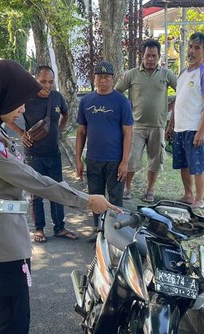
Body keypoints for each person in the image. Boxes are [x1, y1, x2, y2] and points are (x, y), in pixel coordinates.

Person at [0, 59, 121, 334]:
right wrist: (85, 199)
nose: (22, 108)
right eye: (18, 99)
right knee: (11, 323)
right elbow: (32, 179)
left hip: (4, 238)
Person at [5, 65, 78, 243]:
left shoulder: (57, 97)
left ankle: (59, 227)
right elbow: (5, 117)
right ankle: (39, 229)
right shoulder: (25, 98)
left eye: (51, 82)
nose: (47, 85)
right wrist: (21, 133)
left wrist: (60, 130)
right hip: (33, 154)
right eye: (43, 81)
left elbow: (66, 114)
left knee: (58, 190)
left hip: (53, 153)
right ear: (35, 81)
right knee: (36, 192)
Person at [75, 60, 133, 241]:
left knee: (115, 199)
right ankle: (99, 231)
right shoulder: (86, 101)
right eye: (99, 76)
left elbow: (128, 132)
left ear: (112, 79)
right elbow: (81, 131)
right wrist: (78, 158)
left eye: (106, 77)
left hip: (115, 160)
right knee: (95, 198)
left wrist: (125, 161)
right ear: (94, 78)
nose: (103, 80)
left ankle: (115, 233)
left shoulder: (122, 102)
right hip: (93, 159)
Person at [115, 39, 177, 203]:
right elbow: (116, 92)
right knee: (131, 159)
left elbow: (183, 91)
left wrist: (171, 106)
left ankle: (150, 190)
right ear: (142, 56)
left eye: (154, 56)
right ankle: (127, 188)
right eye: (148, 56)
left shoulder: (166, 74)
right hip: (136, 126)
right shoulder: (132, 74)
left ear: (159, 57)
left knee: (155, 162)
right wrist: (125, 108)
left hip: (158, 126)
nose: (150, 59)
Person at [166, 32, 204, 210]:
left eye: (197, 48)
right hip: (180, 128)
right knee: (184, 164)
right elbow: (178, 101)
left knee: (198, 166)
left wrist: (201, 131)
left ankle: (199, 199)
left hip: (195, 128)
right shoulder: (183, 74)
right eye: (191, 47)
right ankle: (188, 195)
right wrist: (171, 125)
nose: (192, 51)